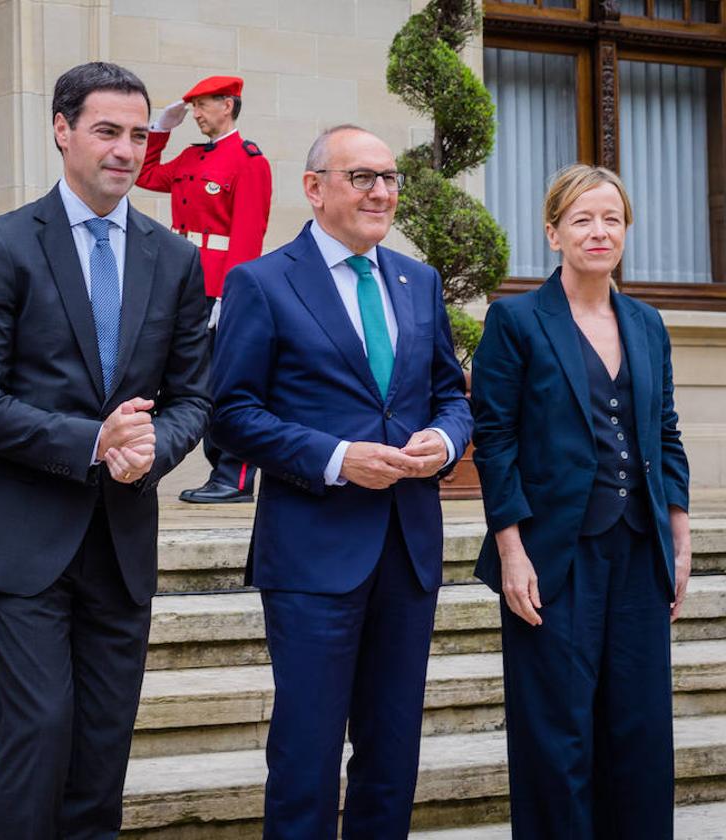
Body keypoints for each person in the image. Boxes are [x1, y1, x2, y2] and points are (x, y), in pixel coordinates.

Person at [0, 62, 211, 838]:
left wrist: (151, 449)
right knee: (37, 737)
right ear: (62, 130)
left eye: (138, 135)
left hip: (121, 539)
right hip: (24, 536)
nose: (127, 150)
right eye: (107, 131)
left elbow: (195, 396)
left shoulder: (175, 259)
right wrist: (92, 442)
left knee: (102, 750)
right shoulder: (1, 244)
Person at [210, 124, 472, 839]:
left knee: (392, 755)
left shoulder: (419, 282)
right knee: (307, 756)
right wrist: (335, 457)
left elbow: (450, 394)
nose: (382, 192)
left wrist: (445, 439)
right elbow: (229, 415)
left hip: (408, 550)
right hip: (312, 555)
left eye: (389, 177)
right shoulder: (261, 282)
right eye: (362, 177)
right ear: (314, 187)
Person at [471, 164, 691, 839]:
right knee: (556, 731)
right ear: (553, 233)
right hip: (552, 556)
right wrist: (512, 552)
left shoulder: (648, 323)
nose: (599, 232)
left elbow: (666, 434)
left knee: (641, 727)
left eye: (611, 220)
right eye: (582, 220)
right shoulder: (515, 320)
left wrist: (680, 543)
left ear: (626, 231)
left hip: (639, 548)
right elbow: (495, 442)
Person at [136, 75, 272, 503]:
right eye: (191, 106)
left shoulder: (249, 160)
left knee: (223, 383)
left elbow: (248, 233)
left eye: (202, 105)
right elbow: (143, 174)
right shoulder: (191, 156)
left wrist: (230, 294)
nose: (194, 114)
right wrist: (159, 129)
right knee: (175, 377)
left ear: (227, 105)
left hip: (218, 286)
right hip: (180, 280)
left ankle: (232, 476)